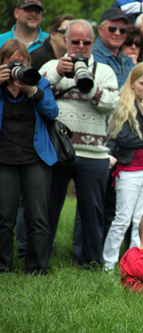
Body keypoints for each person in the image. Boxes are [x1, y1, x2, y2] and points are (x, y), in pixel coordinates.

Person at [40, 19, 119, 269]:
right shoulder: (52, 66)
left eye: (86, 42)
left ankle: (92, 262)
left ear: (93, 43)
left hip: (94, 154)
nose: (80, 47)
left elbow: (111, 104)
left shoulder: (104, 70)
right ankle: (39, 262)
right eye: (75, 42)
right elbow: (34, 93)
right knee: (48, 209)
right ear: (65, 41)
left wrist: (88, 83)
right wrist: (57, 74)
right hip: (56, 150)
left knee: (92, 212)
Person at [0, 39, 58, 274]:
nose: (18, 66)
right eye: (12, 61)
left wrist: (33, 91)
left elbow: (52, 113)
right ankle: (3, 266)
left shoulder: (38, 82)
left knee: (38, 216)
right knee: (4, 217)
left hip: (35, 157)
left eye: (22, 62)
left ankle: (37, 267)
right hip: (4, 158)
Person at [102, 62, 143, 271]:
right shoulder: (123, 106)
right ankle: (109, 264)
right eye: (142, 83)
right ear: (132, 83)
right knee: (122, 219)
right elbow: (125, 140)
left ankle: (133, 263)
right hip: (128, 170)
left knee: (141, 221)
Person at [93, 8, 135, 88]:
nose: (117, 33)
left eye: (122, 30)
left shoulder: (128, 60)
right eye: (112, 28)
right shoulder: (94, 57)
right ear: (100, 30)